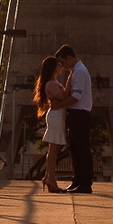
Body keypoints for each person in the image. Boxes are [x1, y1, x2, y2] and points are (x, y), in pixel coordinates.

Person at [53, 44, 94, 193]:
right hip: (76, 114)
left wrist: (59, 105)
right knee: (75, 150)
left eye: (62, 62)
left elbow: (77, 96)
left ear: (68, 57)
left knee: (82, 149)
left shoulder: (80, 72)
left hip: (80, 114)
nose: (62, 66)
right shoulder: (76, 71)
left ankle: (85, 183)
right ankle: (77, 180)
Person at [34, 56, 68, 193]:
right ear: (53, 67)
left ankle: (49, 177)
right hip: (56, 116)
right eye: (59, 64)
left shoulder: (54, 82)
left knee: (53, 148)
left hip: (57, 115)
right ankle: (51, 179)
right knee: (54, 149)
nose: (61, 66)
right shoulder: (51, 84)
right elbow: (64, 97)